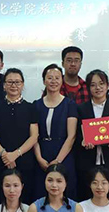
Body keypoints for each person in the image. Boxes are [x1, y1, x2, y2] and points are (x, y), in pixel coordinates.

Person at [0, 68, 39, 204]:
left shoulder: (31, 108)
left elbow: (34, 136)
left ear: (22, 85)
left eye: (17, 82)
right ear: (4, 85)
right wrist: (5, 155)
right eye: (9, 82)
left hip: (24, 162)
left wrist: (15, 154)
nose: (13, 85)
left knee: (24, 201)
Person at [76, 69, 109, 201]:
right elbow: (77, 135)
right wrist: (82, 142)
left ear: (107, 85)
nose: (97, 88)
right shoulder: (81, 109)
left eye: (101, 84)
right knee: (88, 197)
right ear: (88, 88)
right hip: (88, 162)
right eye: (93, 85)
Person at [33, 64, 78, 201]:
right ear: (44, 81)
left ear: (62, 80)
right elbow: (33, 136)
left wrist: (58, 161)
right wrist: (39, 158)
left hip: (63, 154)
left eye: (57, 78)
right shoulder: (36, 105)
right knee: (40, 194)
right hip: (41, 154)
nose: (53, 81)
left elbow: (71, 136)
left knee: (65, 194)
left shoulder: (69, 104)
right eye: (50, 78)